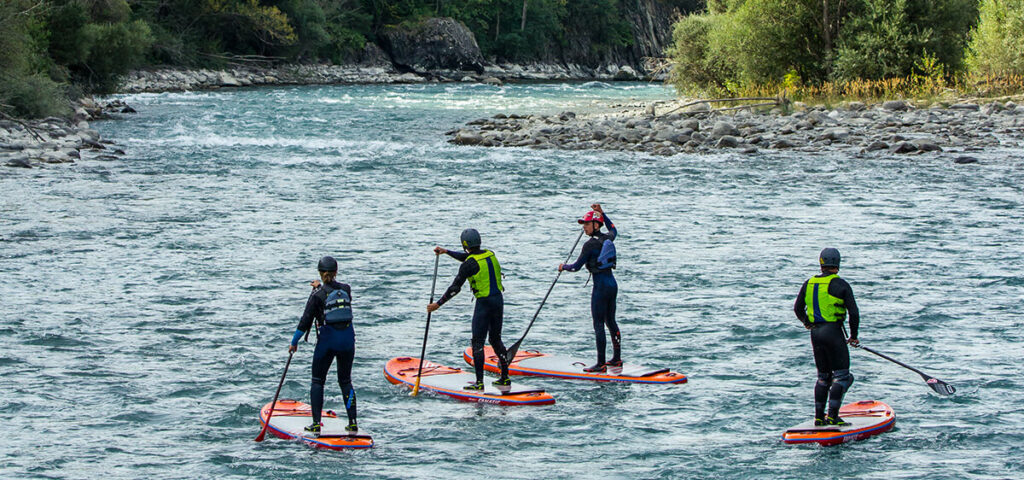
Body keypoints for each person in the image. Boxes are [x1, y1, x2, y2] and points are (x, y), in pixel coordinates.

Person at [428, 228, 511, 390]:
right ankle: (505, 378)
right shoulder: (490, 254)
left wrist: (438, 304)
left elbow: (455, 288)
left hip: (484, 304)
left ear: (464, 244)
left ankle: (479, 383)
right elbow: (468, 258)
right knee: (495, 339)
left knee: (478, 343)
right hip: (498, 301)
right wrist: (446, 252)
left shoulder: (468, 265)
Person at [288, 256, 358, 435]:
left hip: (327, 342)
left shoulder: (317, 295)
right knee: (346, 381)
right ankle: (352, 422)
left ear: (320, 273)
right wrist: (320, 287)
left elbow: (305, 322)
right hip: (348, 341)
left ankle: (316, 423)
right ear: (336, 272)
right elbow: (333, 290)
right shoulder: (347, 289)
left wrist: (294, 343)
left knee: (318, 381)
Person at [793, 247, 860, 426]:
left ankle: (818, 417)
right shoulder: (841, 285)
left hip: (816, 335)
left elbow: (797, 309)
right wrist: (853, 336)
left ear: (821, 263)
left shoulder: (808, 283)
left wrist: (807, 322)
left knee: (823, 377)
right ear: (837, 264)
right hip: (833, 333)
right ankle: (832, 416)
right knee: (843, 376)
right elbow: (854, 313)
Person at [558, 203, 620, 372]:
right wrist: (603, 213)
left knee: (598, 324)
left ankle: (600, 364)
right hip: (612, 284)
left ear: (595, 225)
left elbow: (576, 267)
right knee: (611, 321)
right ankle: (616, 358)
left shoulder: (589, 245)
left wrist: (563, 266)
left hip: (600, 287)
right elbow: (614, 229)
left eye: (586, 224)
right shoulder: (608, 238)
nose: (584, 227)